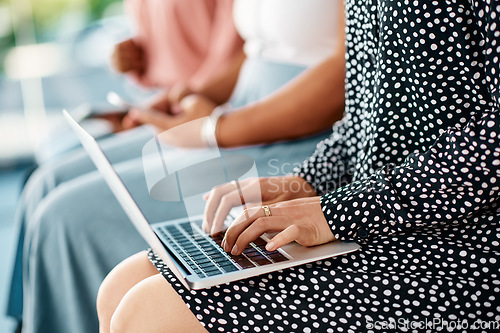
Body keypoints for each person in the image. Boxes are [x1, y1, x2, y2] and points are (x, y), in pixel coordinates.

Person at [96, 0, 500, 331]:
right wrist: (302, 183)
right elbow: (363, 121)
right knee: (121, 285)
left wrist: (335, 213)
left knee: (151, 315)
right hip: (375, 215)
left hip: (462, 241)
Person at [14, 1, 346, 332]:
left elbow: (345, 70)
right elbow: (259, 50)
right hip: (246, 105)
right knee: (47, 181)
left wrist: (213, 129)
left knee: (66, 215)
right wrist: (190, 95)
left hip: (298, 133)